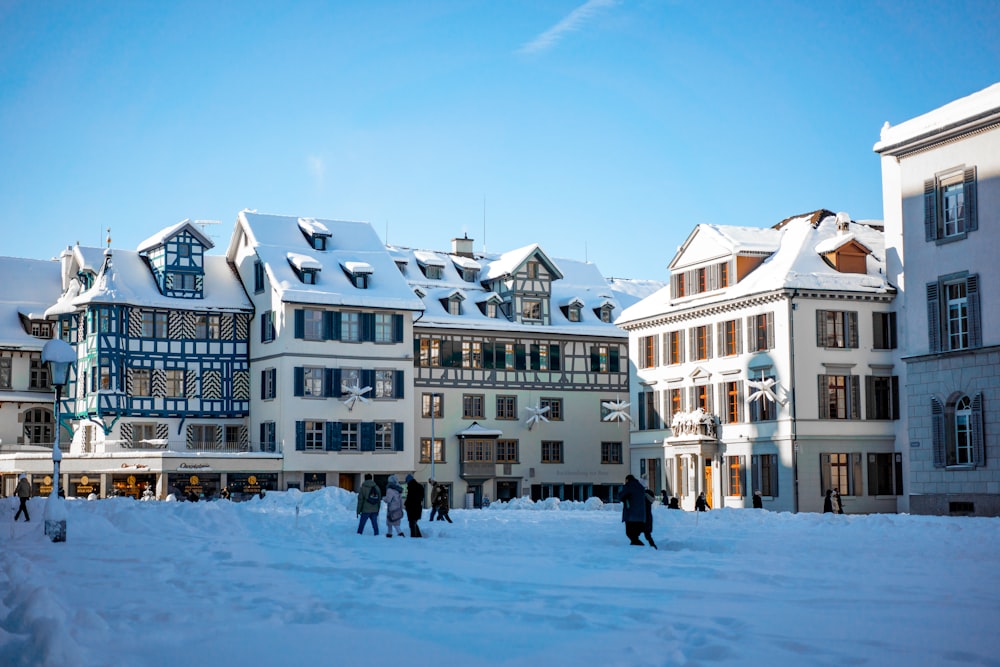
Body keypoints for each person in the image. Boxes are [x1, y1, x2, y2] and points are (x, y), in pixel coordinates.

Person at [616, 474, 647, 546]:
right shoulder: (640, 486)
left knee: (629, 533)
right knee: (635, 533)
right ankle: (636, 545)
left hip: (631, 514)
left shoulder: (629, 486)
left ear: (627, 480)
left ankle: (637, 546)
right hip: (641, 515)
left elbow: (621, 496)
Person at [641, 479, 657, 549]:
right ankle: (652, 545)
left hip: (643, 516)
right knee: (647, 534)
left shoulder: (641, 495)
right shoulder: (649, 494)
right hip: (648, 516)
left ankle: (652, 546)